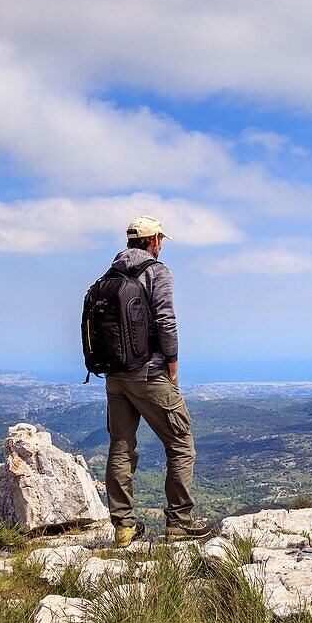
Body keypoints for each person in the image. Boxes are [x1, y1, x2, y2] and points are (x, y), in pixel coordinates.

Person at [103, 215, 209, 547]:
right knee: (180, 443)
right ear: (155, 241)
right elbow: (164, 316)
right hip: (149, 373)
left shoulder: (110, 273)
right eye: (160, 239)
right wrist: (173, 360)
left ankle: (124, 527)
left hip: (115, 376)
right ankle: (179, 521)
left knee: (121, 447)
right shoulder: (156, 271)